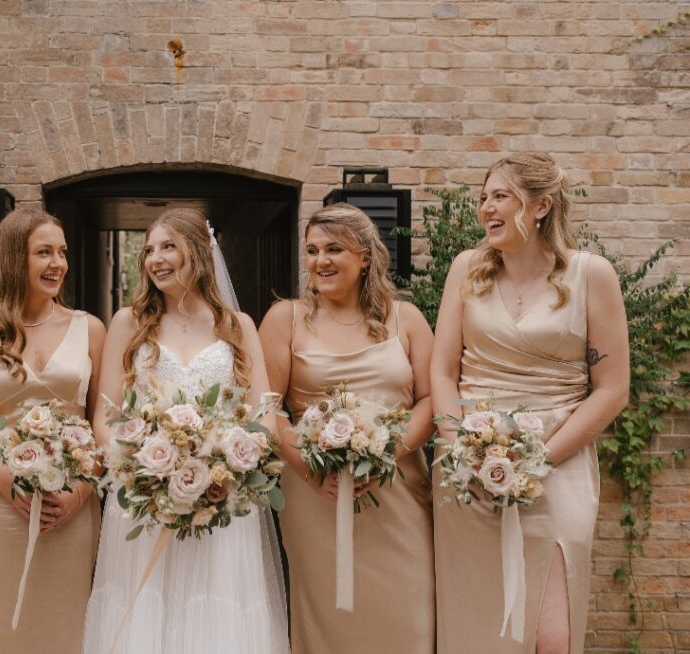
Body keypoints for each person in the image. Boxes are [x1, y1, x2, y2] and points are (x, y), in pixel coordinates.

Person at [430, 152, 630, 653]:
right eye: (483, 198)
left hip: (557, 466)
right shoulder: (466, 269)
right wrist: (462, 450)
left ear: (540, 206)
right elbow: (441, 370)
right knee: (479, 626)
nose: (486, 209)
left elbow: (611, 388)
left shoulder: (592, 275)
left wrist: (537, 460)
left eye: (500, 196)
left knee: (551, 635)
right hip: (467, 469)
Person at [82, 208, 289, 654]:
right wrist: (142, 467)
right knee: (145, 611)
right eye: (150, 249)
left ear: (198, 252)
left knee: (215, 612)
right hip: (144, 499)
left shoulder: (238, 327)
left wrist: (229, 463)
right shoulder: (128, 323)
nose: (155, 258)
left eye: (168, 246)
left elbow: (264, 415)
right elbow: (105, 416)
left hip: (221, 500)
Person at [259, 203, 436, 653]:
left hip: (398, 491)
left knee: (407, 614)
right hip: (313, 493)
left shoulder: (407, 319)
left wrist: (386, 453)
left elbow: (434, 401)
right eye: (313, 250)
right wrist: (310, 469)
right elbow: (265, 407)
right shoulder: (286, 319)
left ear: (364, 257)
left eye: (334, 248)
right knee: (327, 617)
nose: (321, 260)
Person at [0, 208, 105, 654]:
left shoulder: (89, 329)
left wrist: (81, 493)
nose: (58, 264)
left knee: (68, 622)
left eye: (62, 253)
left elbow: (107, 424)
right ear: (15, 258)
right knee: (1, 625)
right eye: (44, 253)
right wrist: (1, 478)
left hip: (70, 502)